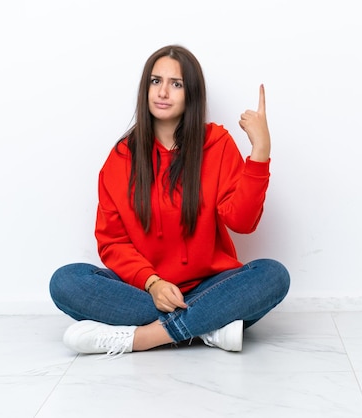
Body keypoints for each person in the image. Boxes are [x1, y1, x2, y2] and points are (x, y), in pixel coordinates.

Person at [49, 44, 290, 356]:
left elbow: (242, 223)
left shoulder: (216, 144)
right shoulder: (122, 158)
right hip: (145, 291)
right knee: (66, 281)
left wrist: (260, 153)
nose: (163, 92)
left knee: (272, 275)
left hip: (209, 287)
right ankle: (209, 327)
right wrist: (154, 284)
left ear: (192, 94)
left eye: (176, 84)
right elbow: (112, 241)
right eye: (155, 81)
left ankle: (146, 337)